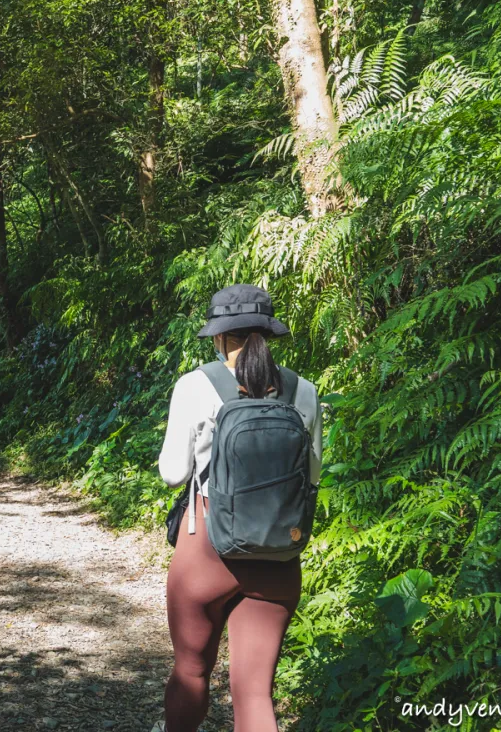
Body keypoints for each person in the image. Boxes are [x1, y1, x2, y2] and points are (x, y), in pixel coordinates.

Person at [157, 284, 322, 732]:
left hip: (206, 548)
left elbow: (173, 474)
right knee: (254, 693)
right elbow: (313, 476)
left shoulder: (195, 386)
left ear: (218, 336)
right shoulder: (303, 391)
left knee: (191, 672)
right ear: (268, 334)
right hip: (277, 552)